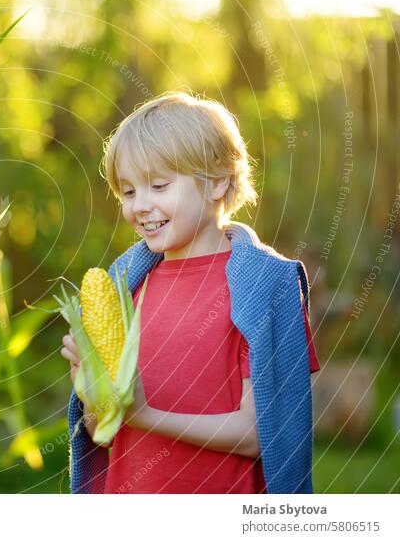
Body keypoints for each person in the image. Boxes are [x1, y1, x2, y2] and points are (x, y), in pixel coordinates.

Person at [60, 91, 320, 494]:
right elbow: (103, 434)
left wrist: (145, 414)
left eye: (158, 186)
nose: (140, 206)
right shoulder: (125, 287)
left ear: (217, 182)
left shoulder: (264, 287)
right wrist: (90, 385)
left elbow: (259, 434)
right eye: (128, 192)